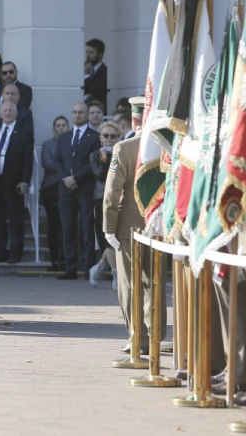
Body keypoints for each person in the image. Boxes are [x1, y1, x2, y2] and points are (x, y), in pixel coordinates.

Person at [102, 97, 162, 354]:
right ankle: (156, 335)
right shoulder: (166, 147)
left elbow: (112, 193)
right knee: (155, 282)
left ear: (134, 119)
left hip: (129, 226)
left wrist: (108, 225)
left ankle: (137, 336)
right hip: (158, 223)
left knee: (129, 283)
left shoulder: (123, 148)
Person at [54, 101, 100, 280]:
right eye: (74, 112)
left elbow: (93, 162)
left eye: (81, 112)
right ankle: (70, 268)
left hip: (84, 188)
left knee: (87, 228)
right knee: (67, 228)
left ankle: (88, 266)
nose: (77, 115)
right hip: (66, 189)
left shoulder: (94, 137)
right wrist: (66, 178)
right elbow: (57, 161)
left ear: (87, 114)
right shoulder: (65, 137)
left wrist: (76, 178)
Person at [0, 101, 34, 264]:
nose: (7, 113)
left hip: (13, 182)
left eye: (10, 111)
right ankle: (0, 252)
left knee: (15, 220)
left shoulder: (24, 132)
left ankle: (15, 253)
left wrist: (25, 181)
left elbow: (28, 160)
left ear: (16, 113)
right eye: (4, 110)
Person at [88, 121, 119, 286]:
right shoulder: (95, 155)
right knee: (106, 238)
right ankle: (115, 275)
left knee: (115, 238)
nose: (109, 139)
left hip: (119, 197)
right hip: (101, 198)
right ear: (100, 138)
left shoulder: (121, 152)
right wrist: (105, 159)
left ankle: (99, 267)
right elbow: (100, 175)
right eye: (105, 136)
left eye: (112, 136)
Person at [41, 115, 69, 272]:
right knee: (53, 226)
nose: (61, 128)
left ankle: (66, 260)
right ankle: (54, 260)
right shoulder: (47, 144)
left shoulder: (71, 142)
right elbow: (47, 163)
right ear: (53, 128)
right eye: (58, 125)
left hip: (67, 188)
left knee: (67, 225)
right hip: (51, 189)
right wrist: (64, 169)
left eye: (63, 125)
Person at [84, 38, 107, 106]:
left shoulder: (104, 71)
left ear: (100, 54)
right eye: (87, 52)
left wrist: (87, 75)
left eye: (91, 53)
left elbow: (97, 91)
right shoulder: (82, 68)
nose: (87, 56)